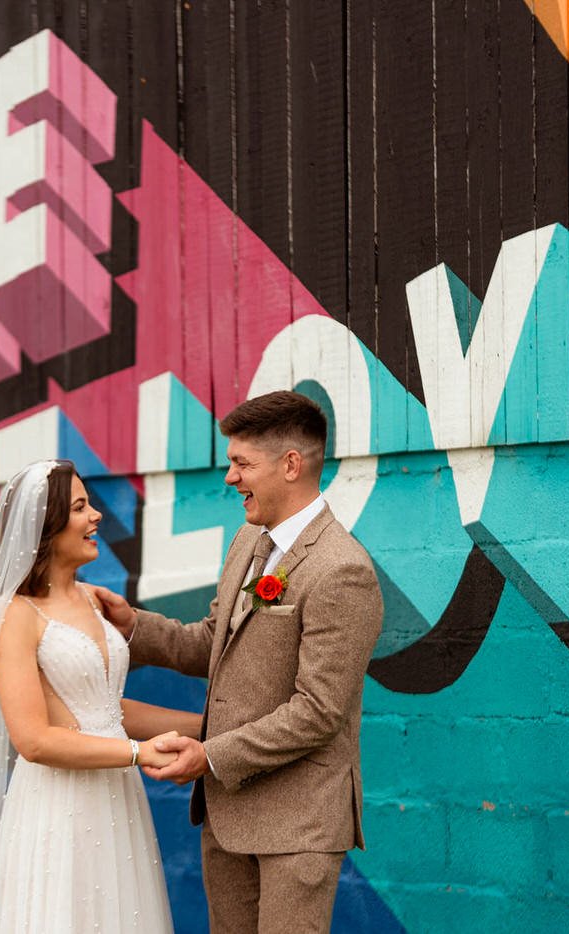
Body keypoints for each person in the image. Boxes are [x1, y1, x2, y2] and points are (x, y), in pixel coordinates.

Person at [93, 390, 385, 934]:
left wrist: (209, 756)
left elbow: (319, 712)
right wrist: (134, 625)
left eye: (242, 463)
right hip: (228, 815)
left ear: (291, 465)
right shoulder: (249, 541)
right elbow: (215, 644)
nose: (231, 478)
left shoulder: (343, 570)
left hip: (297, 828)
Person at [0, 459, 199, 934]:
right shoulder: (16, 616)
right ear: (47, 527)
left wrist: (209, 726)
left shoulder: (92, 599)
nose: (96, 516)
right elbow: (34, 740)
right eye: (81, 507)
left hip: (116, 800)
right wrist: (138, 753)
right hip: (56, 809)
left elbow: (104, 709)